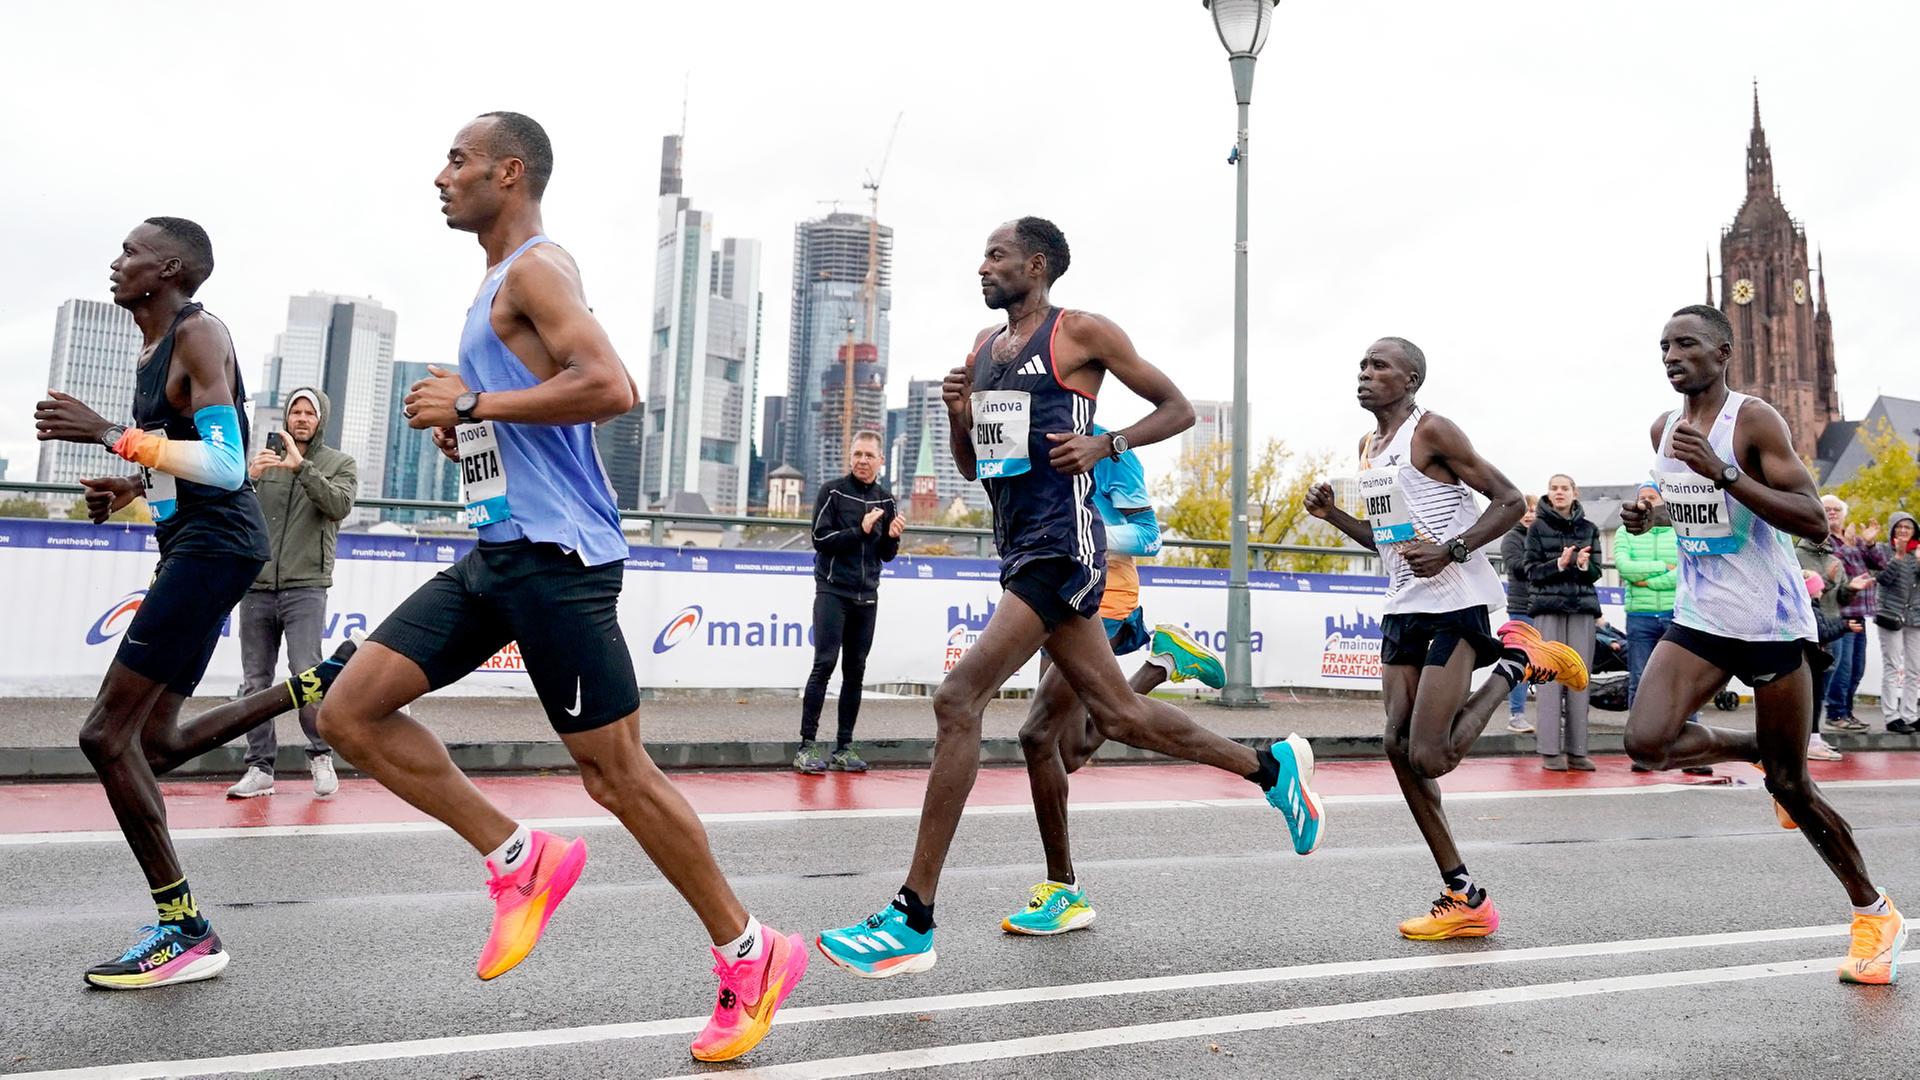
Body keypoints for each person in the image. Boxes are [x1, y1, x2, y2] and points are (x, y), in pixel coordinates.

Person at [311, 114, 804, 1063]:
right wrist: (474, 432)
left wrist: (474, 402)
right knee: (349, 714)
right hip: (501, 549)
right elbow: (537, 415)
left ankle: (751, 952)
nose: (441, 175)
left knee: (617, 776)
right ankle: (518, 856)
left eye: (457, 159)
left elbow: (612, 387)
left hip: (560, 559)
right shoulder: (494, 284)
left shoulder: (538, 266)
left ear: (509, 171)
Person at [816, 217, 1322, 978]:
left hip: (1065, 545)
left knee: (958, 699)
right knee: (1111, 716)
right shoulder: (982, 353)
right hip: (1018, 543)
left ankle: (912, 916)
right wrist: (959, 415)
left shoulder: (1079, 332)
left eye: (996, 254)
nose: (981, 266)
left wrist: (1106, 444)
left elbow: (1177, 406)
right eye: (982, 253)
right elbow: (978, 471)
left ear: (1037, 263)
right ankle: (1271, 769)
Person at [33, 218, 356, 988]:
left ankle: (185, 928)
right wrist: (134, 486)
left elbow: (225, 461)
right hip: (197, 544)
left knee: (104, 736)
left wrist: (110, 436)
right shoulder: (153, 349)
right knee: (158, 743)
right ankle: (309, 688)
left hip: (217, 546)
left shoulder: (199, 334)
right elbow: (181, 461)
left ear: (170, 268)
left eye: (131, 253)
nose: (117, 263)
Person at [1621, 304, 1902, 985]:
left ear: (1723, 352)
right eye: (1663, 346)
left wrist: (1725, 474)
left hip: (1771, 622)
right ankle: (1758, 751)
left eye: (1686, 344)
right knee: (1645, 742)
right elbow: (1667, 500)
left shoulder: (1752, 421)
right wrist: (1642, 513)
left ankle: (1875, 913)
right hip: (1701, 616)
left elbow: (1812, 519)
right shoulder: (1664, 430)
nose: (1671, 355)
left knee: (1793, 788)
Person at [1305, 336, 1585, 942]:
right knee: (1395, 745)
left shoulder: (1433, 433)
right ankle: (1464, 894)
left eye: (1380, 366)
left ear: (1410, 380)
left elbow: (1512, 501)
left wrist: (1454, 549)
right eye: (1362, 364)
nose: (1365, 372)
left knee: (1430, 755)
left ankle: (1516, 663)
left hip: (1456, 604)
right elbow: (1388, 541)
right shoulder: (1368, 449)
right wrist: (1334, 517)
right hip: (1402, 606)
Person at [1006, 424, 1225, 935]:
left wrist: (1077, 533)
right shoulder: (1021, 438)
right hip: (1051, 592)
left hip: (1100, 594)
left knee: (1040, 737)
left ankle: (1064, 891)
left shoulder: (1106, 445)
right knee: (1068, 750)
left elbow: (1148, 535)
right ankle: (1162, 664)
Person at [227, 387, 356, 798]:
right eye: (295, 411)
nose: (301, 418)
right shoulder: (263, 463)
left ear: (321, 419)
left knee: (308, 675)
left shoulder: (339, 463)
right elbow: (231, 512)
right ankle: (260, 767)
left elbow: (338, 505)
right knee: (256, 682)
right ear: (286, 417)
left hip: (306, 587)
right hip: (257, 585)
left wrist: (301, 468)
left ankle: (320, 755)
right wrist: (247, 481)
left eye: (309, 413)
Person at [793, 430, 901, 775]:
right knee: (824, 664)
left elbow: (885, 555)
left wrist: (893, 538)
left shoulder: (886, 500)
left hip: (867, 596)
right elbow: (820, 539)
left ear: (881, 461)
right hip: (832, 590)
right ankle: (806, 745)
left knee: (855, 671)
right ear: (849, 457)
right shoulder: (833, 491)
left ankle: (844, 746)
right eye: (857, 454)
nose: (862, 461)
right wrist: (861, 529)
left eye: (869, 455)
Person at [1615, 483, 1713, 775]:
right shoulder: (1624, 532)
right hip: (1640, 615)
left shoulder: (1679, 530)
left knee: (1687, 684)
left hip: (1678, 614)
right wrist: (1664, 567)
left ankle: (1691, 754)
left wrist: (1649, 578)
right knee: (1638, 681)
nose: (1646, 502)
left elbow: (1684, 569)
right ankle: (1642, 751)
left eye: (1652, 497)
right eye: (1642, 498)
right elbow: (1624, 567)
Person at [1525, 474, 1603, 771]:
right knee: (1549, 680)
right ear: (1548, 493)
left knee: (1579, 679)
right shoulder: (1536, 528)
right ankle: (1549, 751)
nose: (1559, 493)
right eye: (1554, 488)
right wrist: (1558, 564)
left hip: (1582, 609)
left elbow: (1596, 572)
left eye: (1564, 488)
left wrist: (1584, 565)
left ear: (1574, 493)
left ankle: (1578, 751)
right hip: (1548, 609)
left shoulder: (1590, 529)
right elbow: (1529, 569)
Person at [1796, 529, 1859, 760]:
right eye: (1819, 587)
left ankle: (1814, 738)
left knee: (1816, 697)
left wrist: (1849, 588)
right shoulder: (1812, 609)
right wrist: (1844, 626)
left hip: (1817, 655)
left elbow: (1839, 599)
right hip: (1813, 658)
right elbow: (1822, 632)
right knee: (1812, 698)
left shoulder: (1834, 560)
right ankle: (1809, 740)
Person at [1823, 497, 1877, 731]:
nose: (1833, 513)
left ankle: (1847, 712)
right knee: (1841, 668)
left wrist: (1868, 544)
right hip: (1839, 614)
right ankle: (1835, 714)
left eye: (1837, 509)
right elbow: (1835, 565)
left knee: (1857, 668)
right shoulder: (1821, 538)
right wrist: (1848, 544)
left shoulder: (1851, 538)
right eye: (1828, 510)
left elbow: (1877, 563)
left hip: (1860, 612)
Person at [1874, 511, 1920, 734]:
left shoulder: (1918, 553)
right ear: (1892, 529)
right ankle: (1892, 716)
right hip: (1890, 616)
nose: (1903, 531)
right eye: (1899, 527)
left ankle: (1911, 715)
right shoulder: (1883, 551)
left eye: (1908, 527)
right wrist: (1899, 557)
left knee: (1915, 669)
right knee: (1892, 666)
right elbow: (1882, 579)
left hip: (1915, 618)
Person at [1499, 495, 1538, 734]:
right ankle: (1517, 714)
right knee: (1520, 665)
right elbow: (1517, 566)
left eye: (1533, 510)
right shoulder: (1511, 538)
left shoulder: (1544, 537)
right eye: (1525, 510)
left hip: (1545, 608)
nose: (1529, 515)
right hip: (1521, 609)